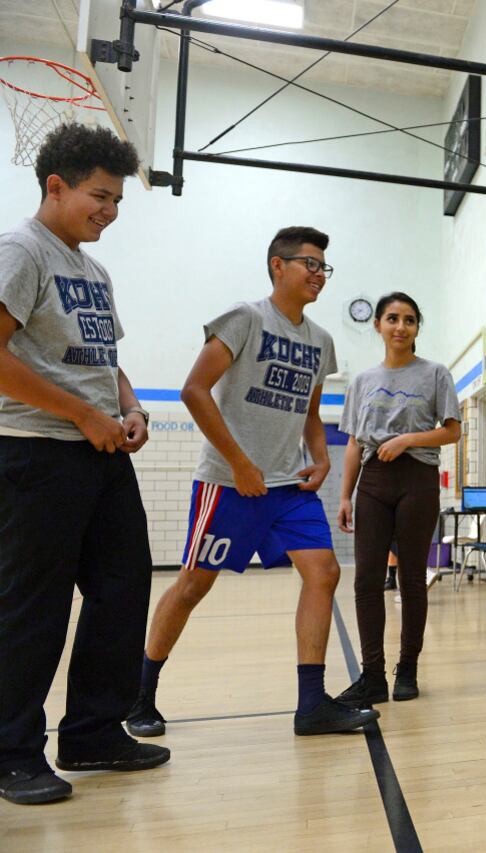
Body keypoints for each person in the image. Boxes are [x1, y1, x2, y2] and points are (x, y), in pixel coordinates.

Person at [125, 227, 379, 738]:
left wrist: (321, 458)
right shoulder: (244, 319)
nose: (318, 274)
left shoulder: (321, 342)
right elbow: (194, 391)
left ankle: (311, 705)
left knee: (324, 573)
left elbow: (311, 411)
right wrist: (239, 462)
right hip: (228, 482)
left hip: (290, 487)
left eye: (323, 267)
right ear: (277, 266)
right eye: (309, 263)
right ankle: (140, 696)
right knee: (194, 585)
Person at [0, 124, 170, 806]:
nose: (110, 210)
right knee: (32, 606)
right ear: (56, 186)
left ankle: (95, 730)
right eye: (100, 195)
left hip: (100, 452)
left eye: (118, 199)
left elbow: (106, 357)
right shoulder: (22, 250)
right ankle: (11, 749)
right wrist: (79, 413)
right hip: (37, 453)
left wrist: (129, 407)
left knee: (123, 588)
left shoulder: (91, 270)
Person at [334, 292, 460, 706]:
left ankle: (407, 667)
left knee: (410, 578)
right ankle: (373, 676)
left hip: (417, 479)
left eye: (409, 319)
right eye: (392, 318)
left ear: (417, 327)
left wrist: (408, 439)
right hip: (373, 481)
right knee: (367, 579)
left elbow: (452, 431)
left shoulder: (435, 373)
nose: (400, 326)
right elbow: (353, 442)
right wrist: (345, 495)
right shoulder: (362, 382)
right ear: (378, 326)